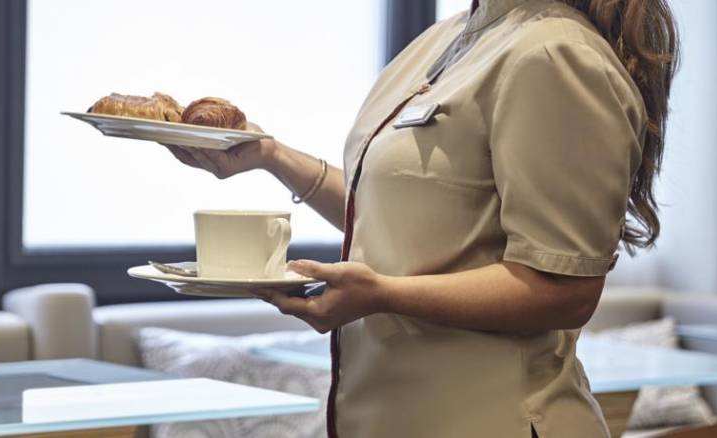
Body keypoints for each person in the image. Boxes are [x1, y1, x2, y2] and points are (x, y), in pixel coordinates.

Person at [164, 0, 679, 436]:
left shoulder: (554, 52)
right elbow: (395, 218)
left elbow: (564, 289)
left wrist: (382, 294)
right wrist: (270, 156)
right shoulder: (445, 41)